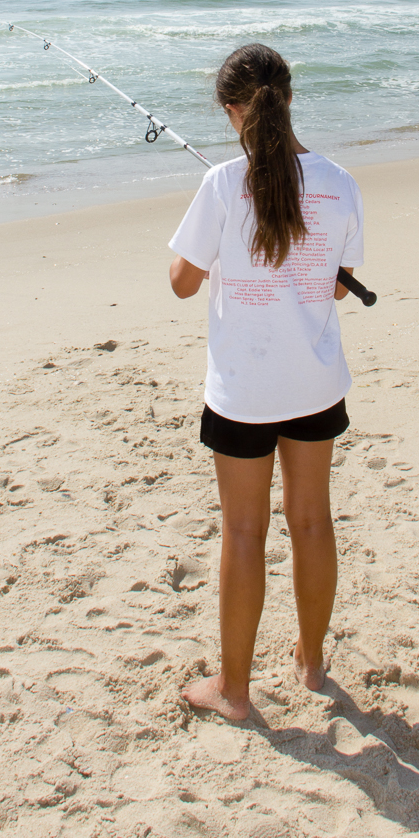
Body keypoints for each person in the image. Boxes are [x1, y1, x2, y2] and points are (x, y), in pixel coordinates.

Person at [168, 44, 365, 721]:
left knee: (244, 531)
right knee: (311, 521)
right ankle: (311, 662)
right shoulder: (340, 182)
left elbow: (182, 283)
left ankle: (234, 690)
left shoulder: (223, 183)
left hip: (243, 391)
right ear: (288, 98)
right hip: (314, 384)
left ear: (232, 109)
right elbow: (335, 288)